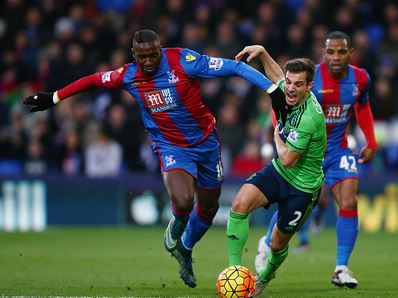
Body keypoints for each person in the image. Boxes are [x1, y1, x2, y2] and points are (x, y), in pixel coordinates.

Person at [23, 29, 280, 288]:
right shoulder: (128, 75)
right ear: (134, 55)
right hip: (171, 146)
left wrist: (272, 89)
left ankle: (185, 249)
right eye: (142, 56)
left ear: (161, 50)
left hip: (207, 144)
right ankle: (176, 225)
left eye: (153, 55)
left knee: (209, 208)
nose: (148, 61)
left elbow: (236, 68)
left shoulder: (184, 61)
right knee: (183, 201)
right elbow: (93, 80)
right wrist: (54, 97)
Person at [256, 31, 378, 288]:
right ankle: (266, 243)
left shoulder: (361, 78)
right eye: (330, 52)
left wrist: (371, 140)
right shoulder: (311, 80)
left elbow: (362, 107)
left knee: (349, 199)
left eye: (341, 52)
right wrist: (281, 135)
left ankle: (341, 268)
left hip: (338, 150)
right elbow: (283, 105)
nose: (335, 57)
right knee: (292, 203)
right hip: (307, 151)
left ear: (350, 53)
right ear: (323, 52)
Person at [226, 48, 327, 296]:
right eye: (289, 82)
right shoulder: (290, 91)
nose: (290, 89)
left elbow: (289, 158)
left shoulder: (310, 118)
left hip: (303, 187)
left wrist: (276, 137)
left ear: (310, 86)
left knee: (277, 243)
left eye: (298, 84)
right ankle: (234, 272)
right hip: (278, 172)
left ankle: (264, 276)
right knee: (239, 205)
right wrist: (262, 52)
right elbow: (276, 78)